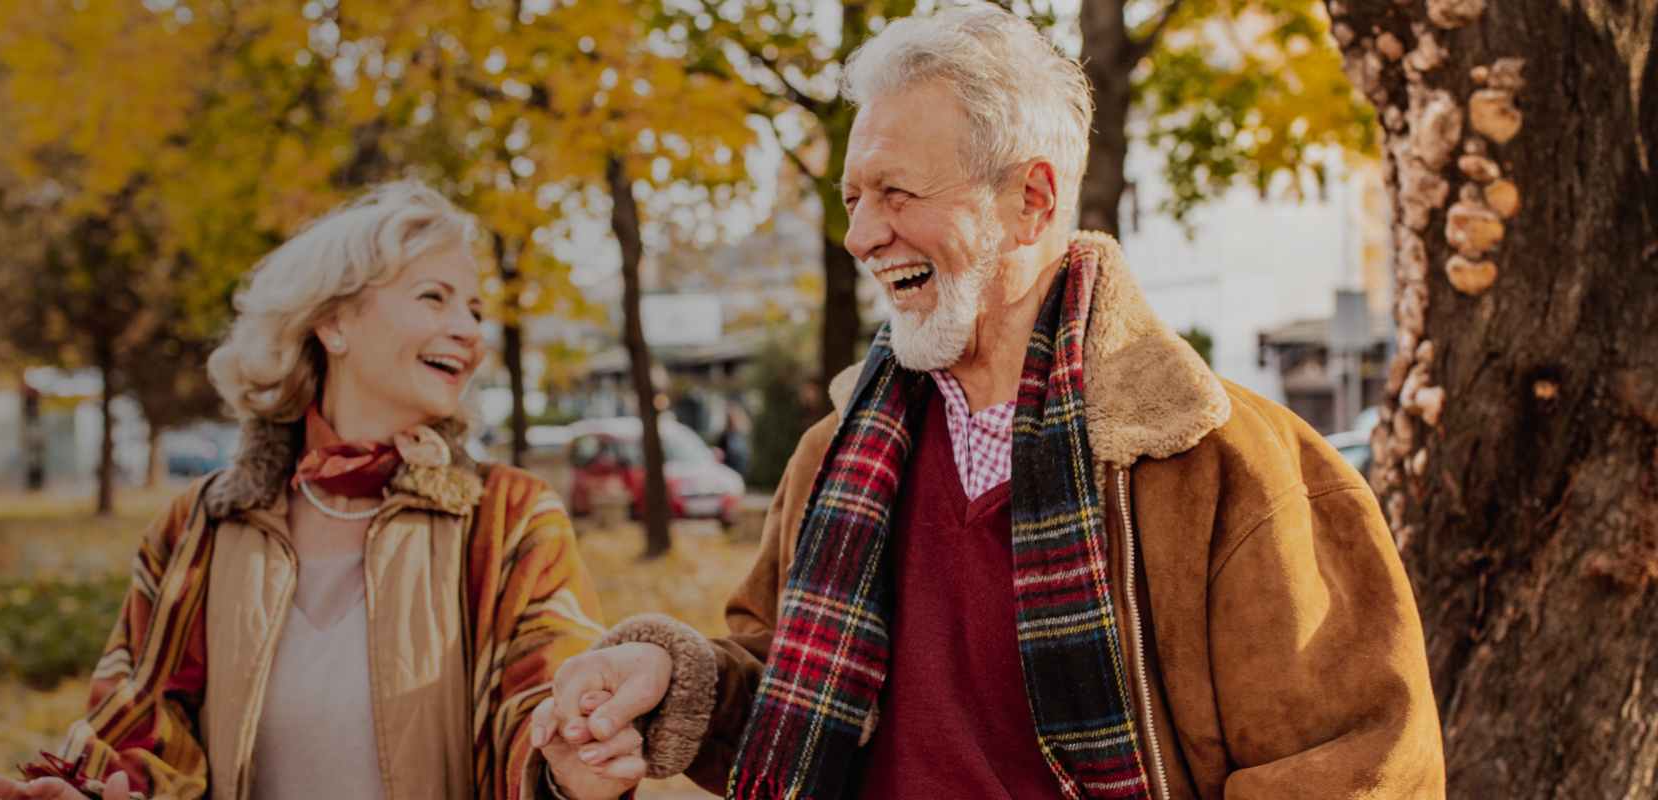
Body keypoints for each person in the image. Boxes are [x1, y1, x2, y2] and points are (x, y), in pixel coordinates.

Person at [533, 6, 1445, 798]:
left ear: (1030, 202)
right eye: (853, 198)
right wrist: (666, 679)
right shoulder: (835, 456)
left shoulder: (1233, 467)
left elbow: (1356, 769)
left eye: (897, 192)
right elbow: (787, 704)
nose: (859, 234)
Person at [0, 182, 652, 800]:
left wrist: (568, 762)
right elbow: (142, 724)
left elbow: (543, 700)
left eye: (474, 309)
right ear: (333, 324)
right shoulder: (203, 525)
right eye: (433, 297)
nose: (471, 332)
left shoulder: (510, 518)